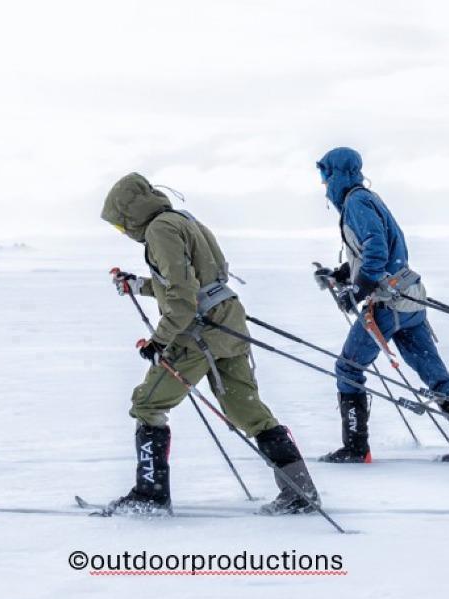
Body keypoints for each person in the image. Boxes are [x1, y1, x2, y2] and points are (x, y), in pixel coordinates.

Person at [99, 172, 320, 515]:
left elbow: (182, 296)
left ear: (132, 213)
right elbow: (198, 281)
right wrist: (139, 285)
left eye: (120, 224)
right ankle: (300, 491)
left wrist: (158, 342)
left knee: (147, 403)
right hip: (228, 324)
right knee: (248, 411)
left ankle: (150, 495)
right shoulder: (183, 219)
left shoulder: (159, 230)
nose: (123, 231)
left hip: (199, 333)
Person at [311, 147, 449, 465]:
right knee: (435, 374)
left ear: (337, 174)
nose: (324, 184)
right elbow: (381, 251)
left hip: (389, 304)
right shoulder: (367, 198)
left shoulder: (356, 203)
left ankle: (356, 448)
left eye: (325, 176)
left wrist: (358, 289)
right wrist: (342, 274)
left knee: (348, 368)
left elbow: (377, 249)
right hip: (409, 299)